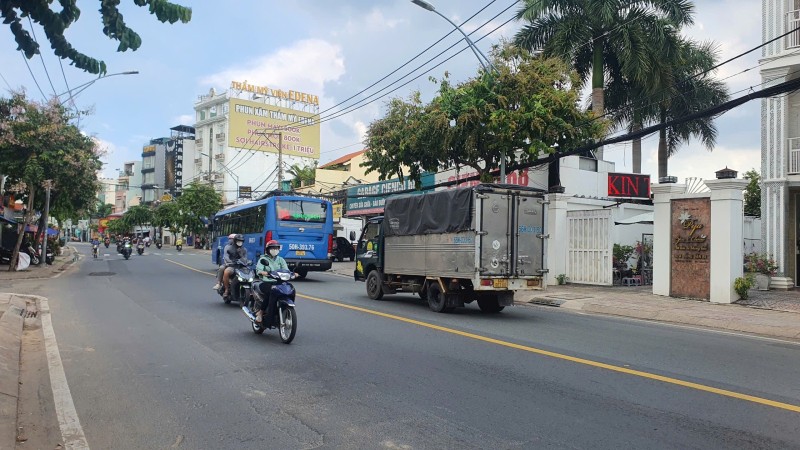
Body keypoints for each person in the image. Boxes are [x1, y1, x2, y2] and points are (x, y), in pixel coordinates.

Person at [254, 240, 295, 326]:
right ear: (268, 249)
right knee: (270, 291)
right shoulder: (263, 259)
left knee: (290, 288)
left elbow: (286, 270)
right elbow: (259, 270)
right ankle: (261, 312)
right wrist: (264, 273)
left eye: (276, 248)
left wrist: (293, 274)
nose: (274, 250)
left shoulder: (281, 259)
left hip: (279, 282)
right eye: (272, 248)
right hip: (266, 282)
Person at [220, 234, 248, 298]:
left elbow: (245, 259)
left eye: (241, 241)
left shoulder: (244, 250)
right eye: (238, 241)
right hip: (232, 266)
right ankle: (226, 289)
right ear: (235, 241)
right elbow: (226, 257)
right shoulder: (230, 249)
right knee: (226, 272)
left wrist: (241, 254)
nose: (240, 242)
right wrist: (231, 262)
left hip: (241, 267)